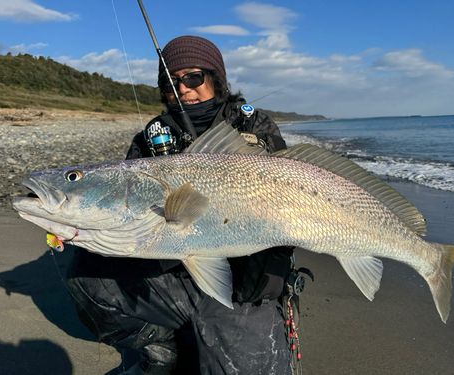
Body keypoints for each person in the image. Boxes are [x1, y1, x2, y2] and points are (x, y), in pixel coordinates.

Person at [66, 35, 294, 375]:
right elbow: (126, 210)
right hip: (174, 269)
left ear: (216, 78)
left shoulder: (254, 124)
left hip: (246, 283)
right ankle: (161, 346)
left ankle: (223, 327)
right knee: (86, 274)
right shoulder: (151, 137)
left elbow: (293, 192)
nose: (183, 89)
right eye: (170, 82)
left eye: (193, 77)